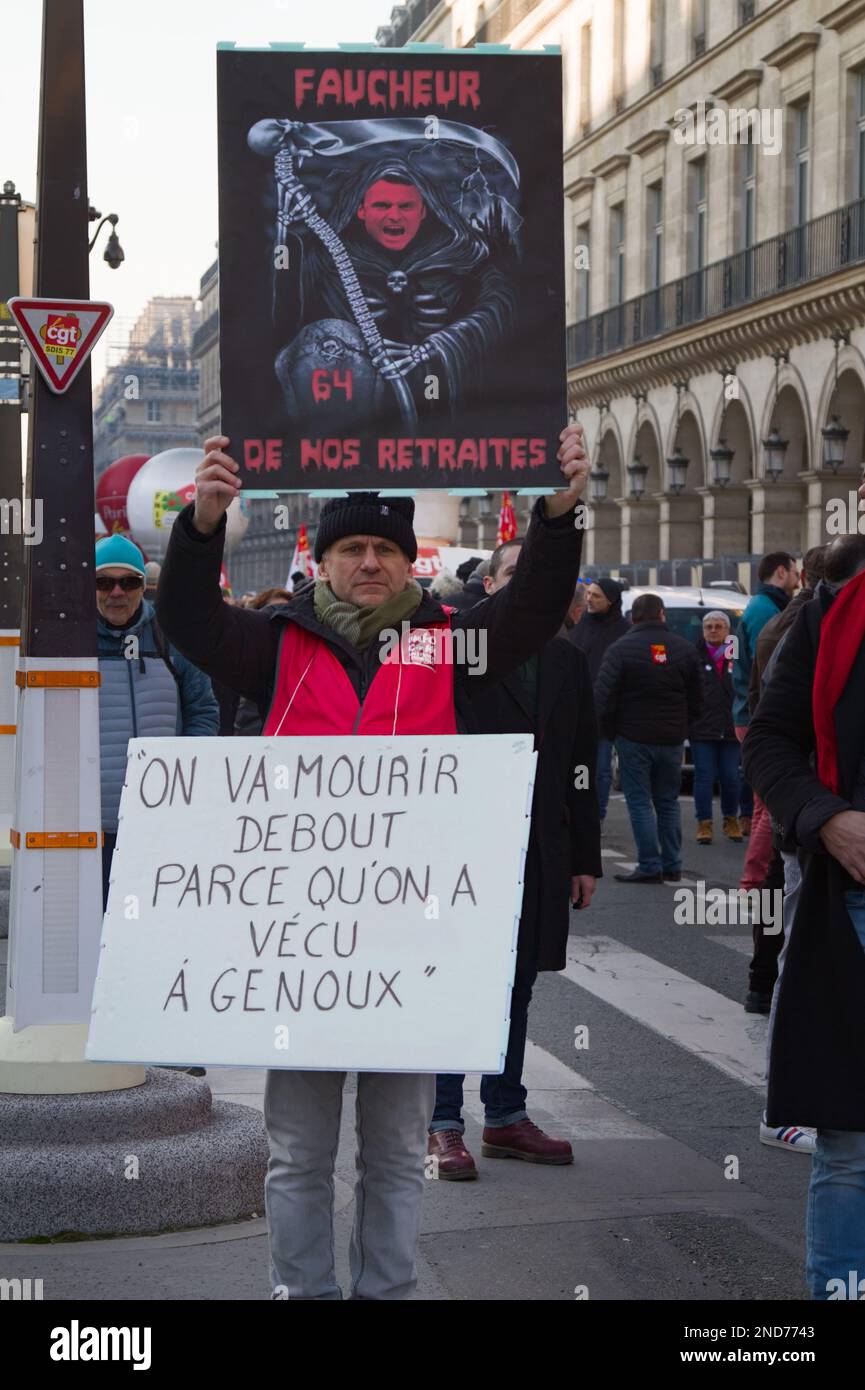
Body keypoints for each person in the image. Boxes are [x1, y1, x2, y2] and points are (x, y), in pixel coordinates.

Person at [155, 423, 590, 1301]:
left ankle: (386, 1292)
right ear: (321, 562)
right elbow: (189, 620)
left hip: (410, 946)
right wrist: (202, 523)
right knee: (298, 1155)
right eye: (349, 547)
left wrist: (556, 516)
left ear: (406, 563)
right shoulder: (272, 643)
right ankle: (302, 1291)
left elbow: (531, 611)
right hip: (301, 948)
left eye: (383, 549)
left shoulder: (448, 644)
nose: (367, 563)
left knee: (396, 1152)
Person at [428, 538, 602, 1177]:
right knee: (455, 980)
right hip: (464, 844)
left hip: (539, 847)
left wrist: (585, 855)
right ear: (490, 587)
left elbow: (584, 761)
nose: (531, 591)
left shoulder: (567, 659)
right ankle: (443, 1122)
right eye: (516, 577)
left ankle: (504, 1115)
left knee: (518, 982)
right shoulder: (456, 655)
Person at [743, 530, 865, 1297]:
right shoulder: (828, 617)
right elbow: (770, 741)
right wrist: (825, 817)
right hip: (851, 902)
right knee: (850, 1146)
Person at [96, 534, 219, 1078]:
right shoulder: (68, 643)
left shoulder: (169, 638)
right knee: (105, 934)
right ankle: (114, 1034)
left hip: (161, 822)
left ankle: (174, 1038)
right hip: (93, 823)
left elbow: (205, 711)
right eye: (103, 582)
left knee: (167, 932)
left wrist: (183, 779)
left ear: (143, 586)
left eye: (128, 582)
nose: (116, 592)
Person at [743, 545, 827, 1015]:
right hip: (811, 777)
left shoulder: (778, 621)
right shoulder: (806, 625)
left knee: (777, 875)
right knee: (790, 880)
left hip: (788, 776)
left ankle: (763, 979)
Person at [595, 593, 701, 884]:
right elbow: (698, 698)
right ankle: (672, 864)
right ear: (662, 615)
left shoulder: (620, 649)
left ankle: (649, 863)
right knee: (668, 801)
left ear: (634, 617)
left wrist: (610, 729)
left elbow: (602, 697)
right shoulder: (684, 649)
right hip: (672, 738)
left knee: (639, 801)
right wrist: (684, 725)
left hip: (633, 736)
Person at [732, 552, 800, 896]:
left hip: (749, 712)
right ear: (781, 571)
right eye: (794, 573)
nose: (797, 580)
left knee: (764, 805)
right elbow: (770, 667)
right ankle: (754, 881)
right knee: (766, 806)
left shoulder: (759, 607)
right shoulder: (765, 611)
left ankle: (756, 881)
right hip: (756, 715)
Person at [568, 578, 630, 825]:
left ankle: (598, 814)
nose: (591, 599)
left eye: (597, 596)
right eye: (589, 594)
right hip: (575, 707)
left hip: (605, 713)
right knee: (577, 767)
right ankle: (578, 809)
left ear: (611, 601)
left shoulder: (622, 630)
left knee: (602, 770)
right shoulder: (579, 625)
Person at [689, 611, 741, 845]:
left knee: (731, 777)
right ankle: (704, 823)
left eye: (718, 626)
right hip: (703, 727)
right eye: (708, 626)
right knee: (703, 777)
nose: (713, 630)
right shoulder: (695, 656)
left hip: (731, 728)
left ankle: (731, 819)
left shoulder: (736, 655)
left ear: (728, 630)